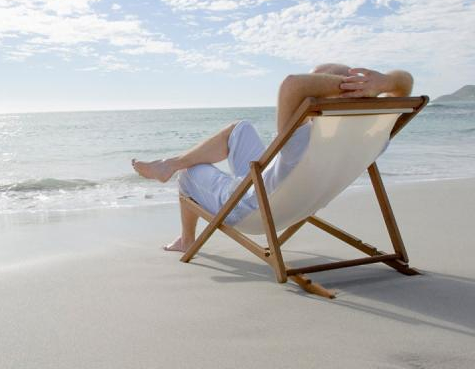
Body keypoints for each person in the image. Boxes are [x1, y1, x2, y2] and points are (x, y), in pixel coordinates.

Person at [132, 64, 414, 252]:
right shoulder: (375, 135)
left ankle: (186, 233)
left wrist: (351, 84)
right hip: (295, 197)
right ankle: (170, 164)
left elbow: (292, 85)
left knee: (189, 173)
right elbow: (406, 83)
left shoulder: (302, 139)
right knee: (240, 129)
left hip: (253, 207)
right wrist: (386, 81)